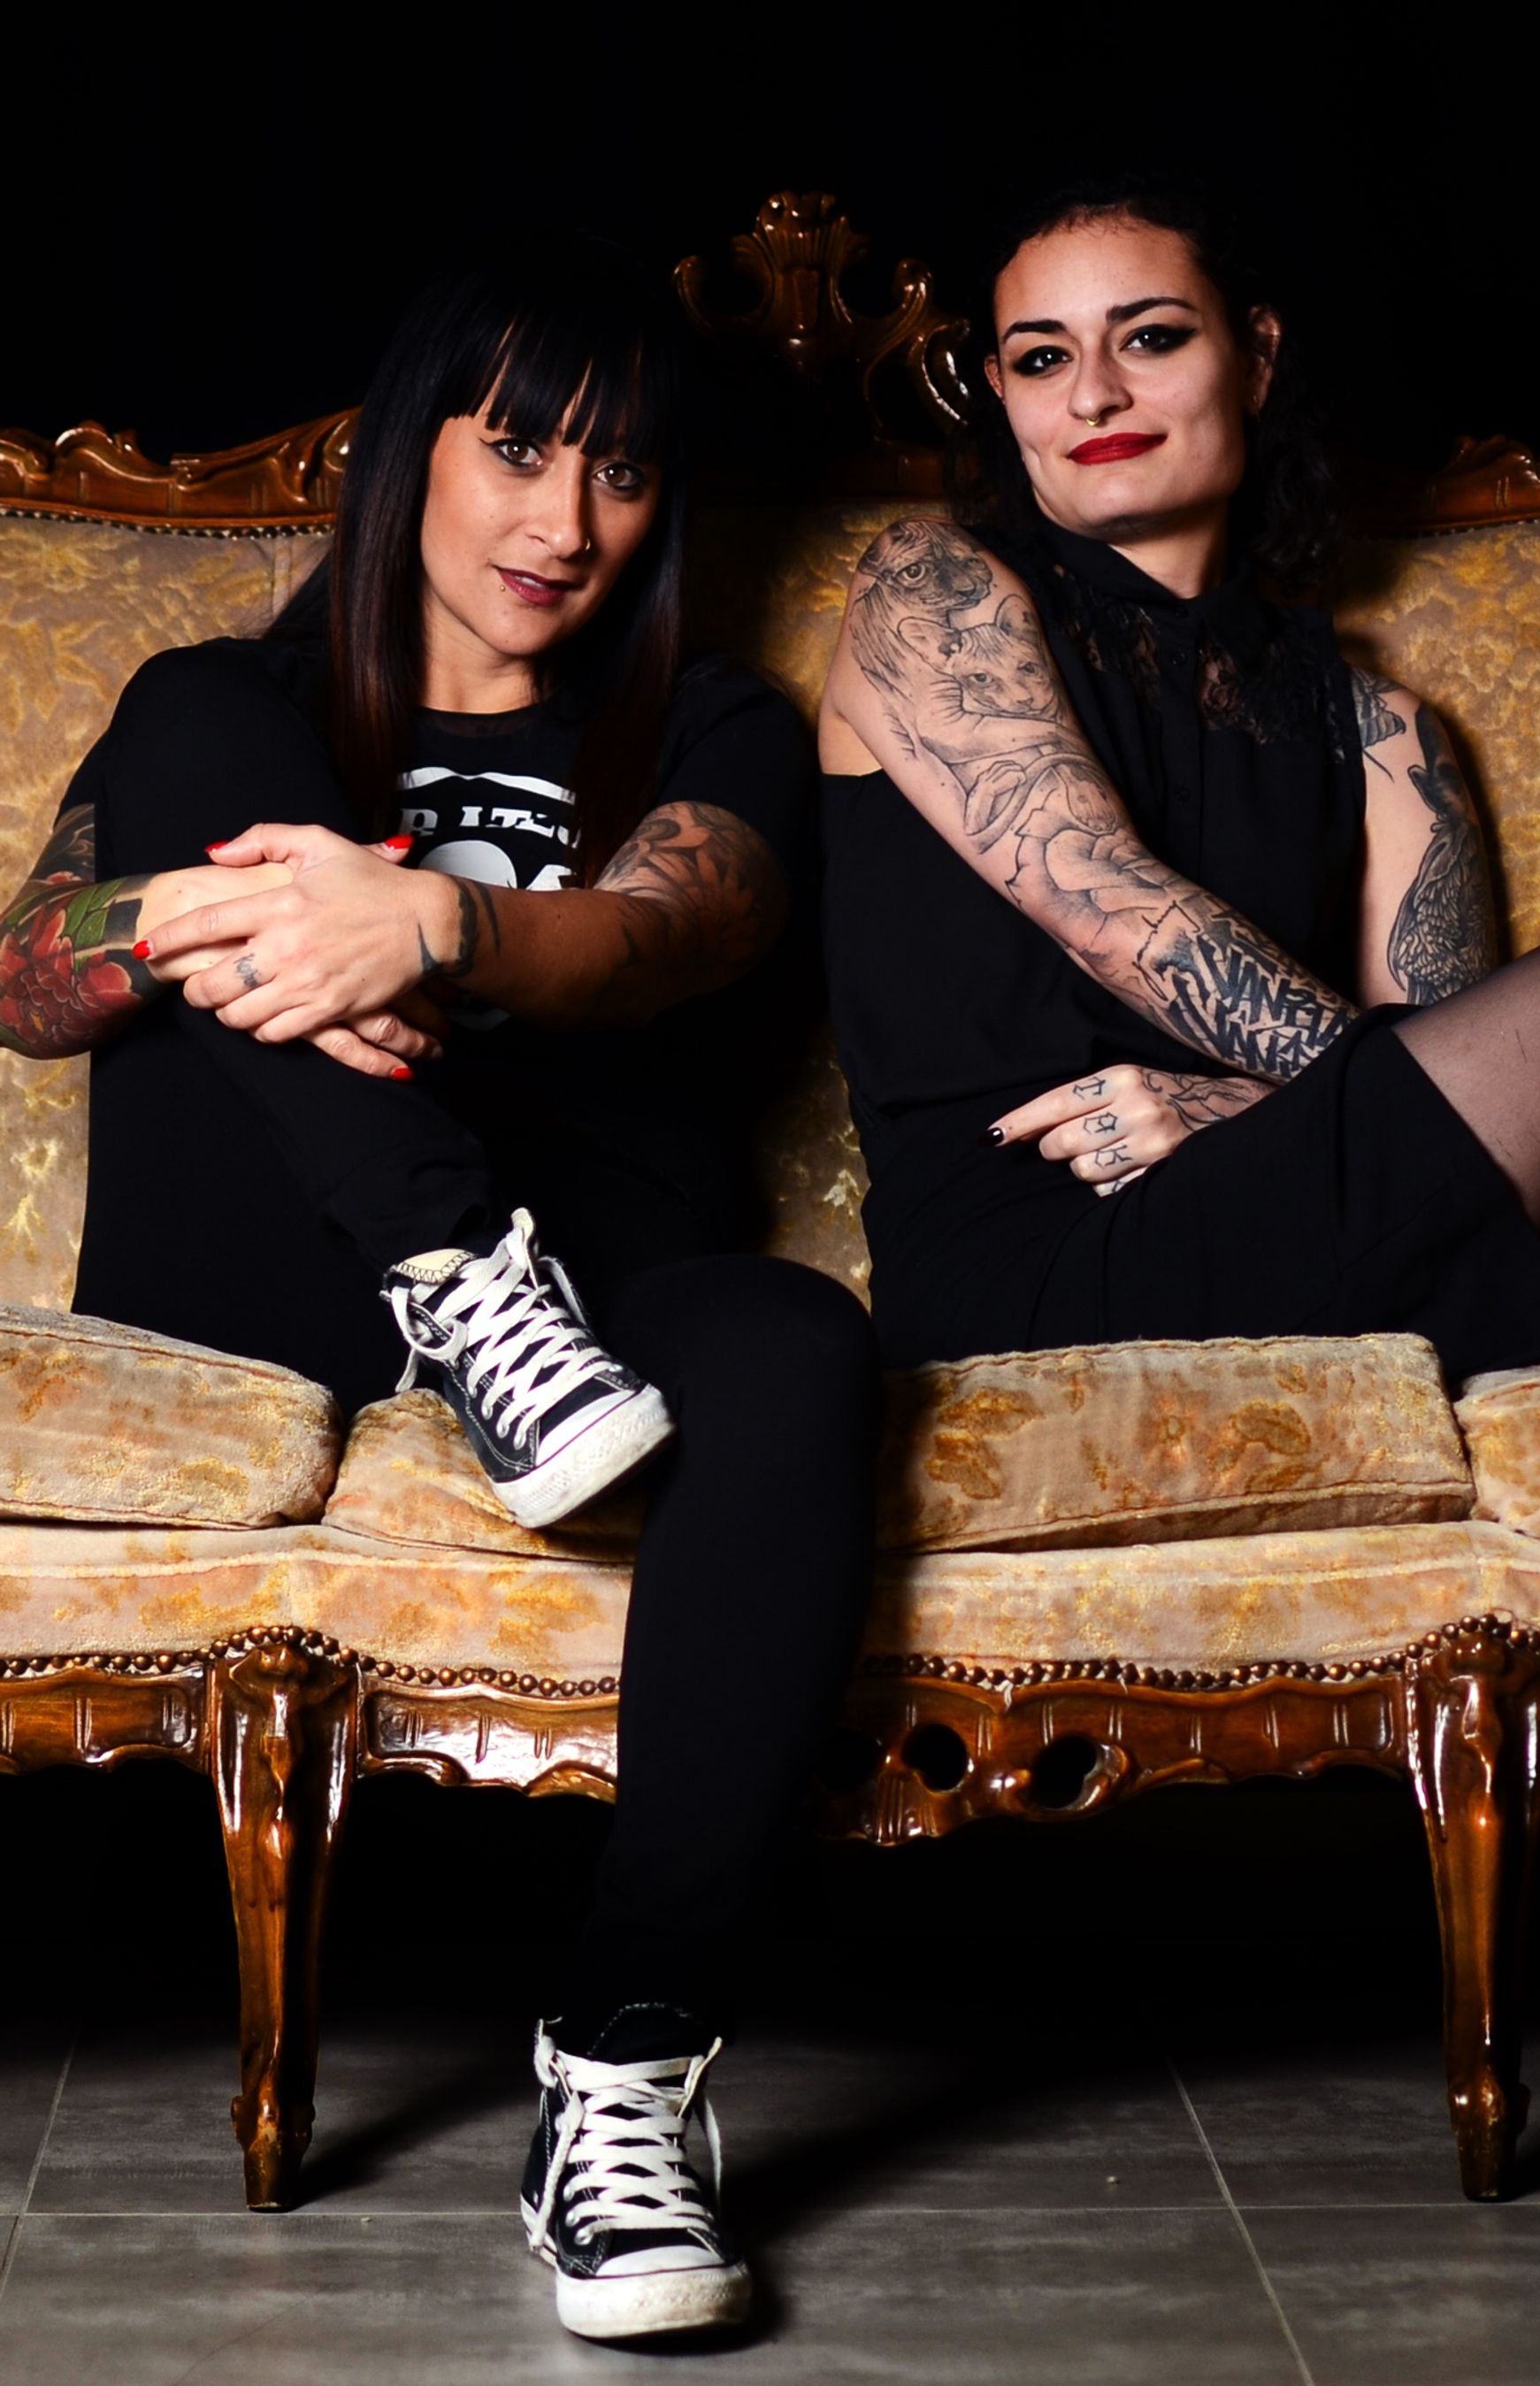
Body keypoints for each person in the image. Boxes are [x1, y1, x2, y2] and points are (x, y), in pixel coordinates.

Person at [0, 234, 878, 2343]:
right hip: (276, 1280)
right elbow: (25, 981)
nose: (566, 519)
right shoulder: (235, 715)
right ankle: (446, 1266)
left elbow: (668, 930)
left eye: (625, 472)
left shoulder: (721, 726)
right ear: (413, 448)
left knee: (799, 1347)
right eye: (519, 449)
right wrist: (218, 912)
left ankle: (626, 2065)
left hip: (603, 1295)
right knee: (200, 718)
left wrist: (431, 930)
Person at [818, 174, 1540, 1386]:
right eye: (1041, 358)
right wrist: (1349, 1097)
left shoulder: (1381, 731)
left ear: (1258, 356)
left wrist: (1246, 1109)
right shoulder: (931, 590)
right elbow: (1116, 913)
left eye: (1151, 337)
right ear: (1004, 398)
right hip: (1029, 1262)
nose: (1094, 394)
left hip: (1308, 1237)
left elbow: (1460, 1136)